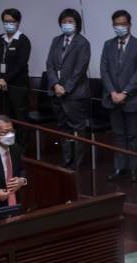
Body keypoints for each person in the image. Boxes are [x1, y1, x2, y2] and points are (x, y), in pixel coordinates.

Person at [100, 9, 137, 182]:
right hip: (112, 99)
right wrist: (113, 92)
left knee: (133, 136)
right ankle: (120, 168)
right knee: (118, 135)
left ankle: (133, 170)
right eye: (116, 24)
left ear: (129, 25)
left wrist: (125, 93)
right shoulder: (108, 44)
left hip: (132, 100)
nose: (119, 27)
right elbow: (104, 71)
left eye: (122, 24)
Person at [46, 8, 91, 170]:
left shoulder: (83, 43)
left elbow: (80, 70)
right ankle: (66, 160)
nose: (67, 24)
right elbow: (50, 65)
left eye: (70, 21)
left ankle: (77, 163)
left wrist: (65, 88)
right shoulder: (56, 40)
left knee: (77, 128)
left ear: (77, 24)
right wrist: (55, 84)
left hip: (75, 94)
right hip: (56, 92)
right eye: (64, 22)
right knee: (63, 128)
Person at [0, 8, 31, 153]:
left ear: (18, 22)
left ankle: (21, 150)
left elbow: (21, 64)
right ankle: (6, 147)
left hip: (17, 86)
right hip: (0, 85)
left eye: (12, 21)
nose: (9, 24)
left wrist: (5, 80)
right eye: (6, 21)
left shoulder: (23, 40)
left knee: (19, 119)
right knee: (3, 119)